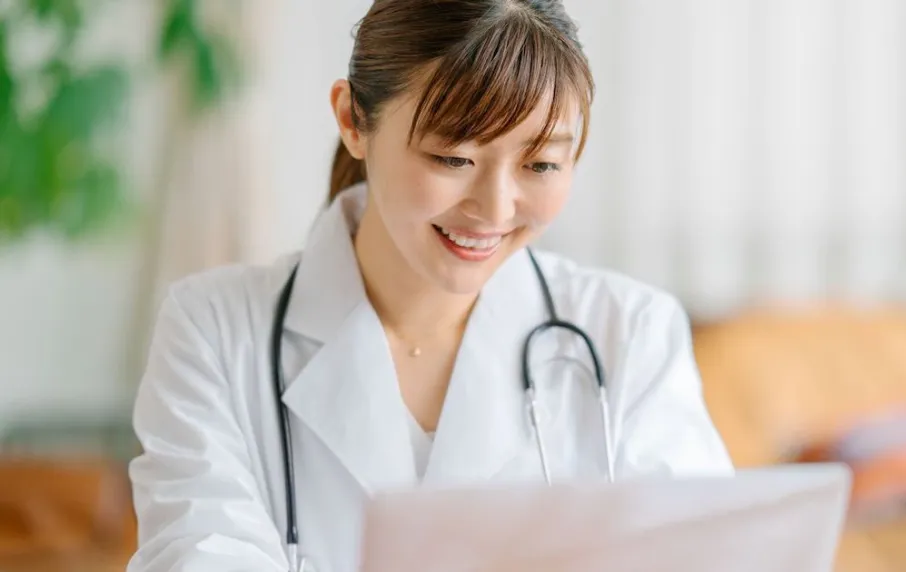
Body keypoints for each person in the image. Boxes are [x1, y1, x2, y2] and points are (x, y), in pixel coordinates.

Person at [127, 1, 733, 571]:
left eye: (541, 164)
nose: (495, 208)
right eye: (453, 158)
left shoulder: (631, 333)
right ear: (353, 121)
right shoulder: (214, 329)